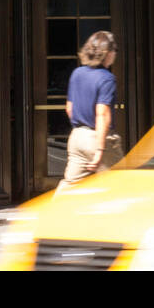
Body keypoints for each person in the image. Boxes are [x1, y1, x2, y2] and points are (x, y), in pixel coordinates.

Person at [59, 30, 123, 189]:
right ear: (107, 53)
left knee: (70, 185)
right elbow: (102, 114)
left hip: (77, 137)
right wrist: (100, 148)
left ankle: (50, 212)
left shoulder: (77, 73)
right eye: (114, 50)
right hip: (97, 139)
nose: (115, 54)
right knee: (119, 185)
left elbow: (69, 109)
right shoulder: (106, 78)